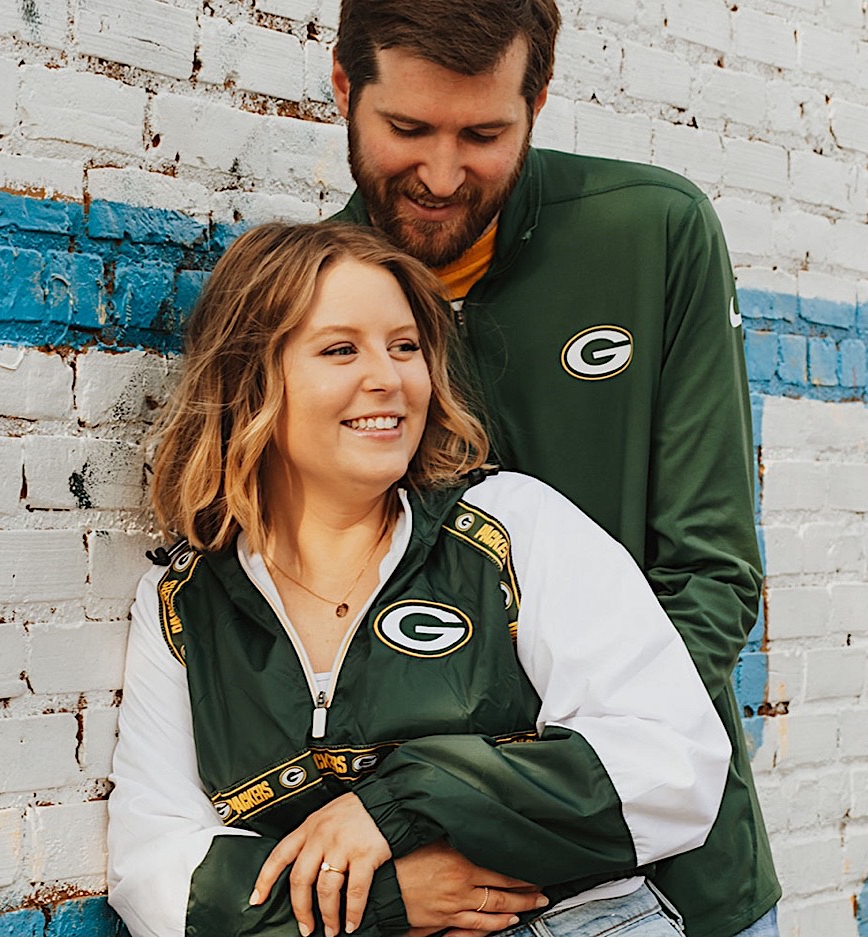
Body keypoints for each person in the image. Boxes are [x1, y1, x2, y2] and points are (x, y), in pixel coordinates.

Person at [107, 222, 731, 937]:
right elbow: (158, 871)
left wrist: (407, 801)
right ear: (252, 379)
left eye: (404, 347)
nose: (390, 378)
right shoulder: (184, 606)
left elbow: (673, 765)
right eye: (341, 349)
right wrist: (389, 899)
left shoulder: (509, 528)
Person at [324, 2, 777, 936]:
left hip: (676, 886)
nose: (442, 175)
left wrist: (506, 812)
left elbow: (711, 576)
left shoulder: (655, 233)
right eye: (407, 128)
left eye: (485, 134)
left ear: (537, 102)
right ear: (343, 91)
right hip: (438, 902)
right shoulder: (306, 300)